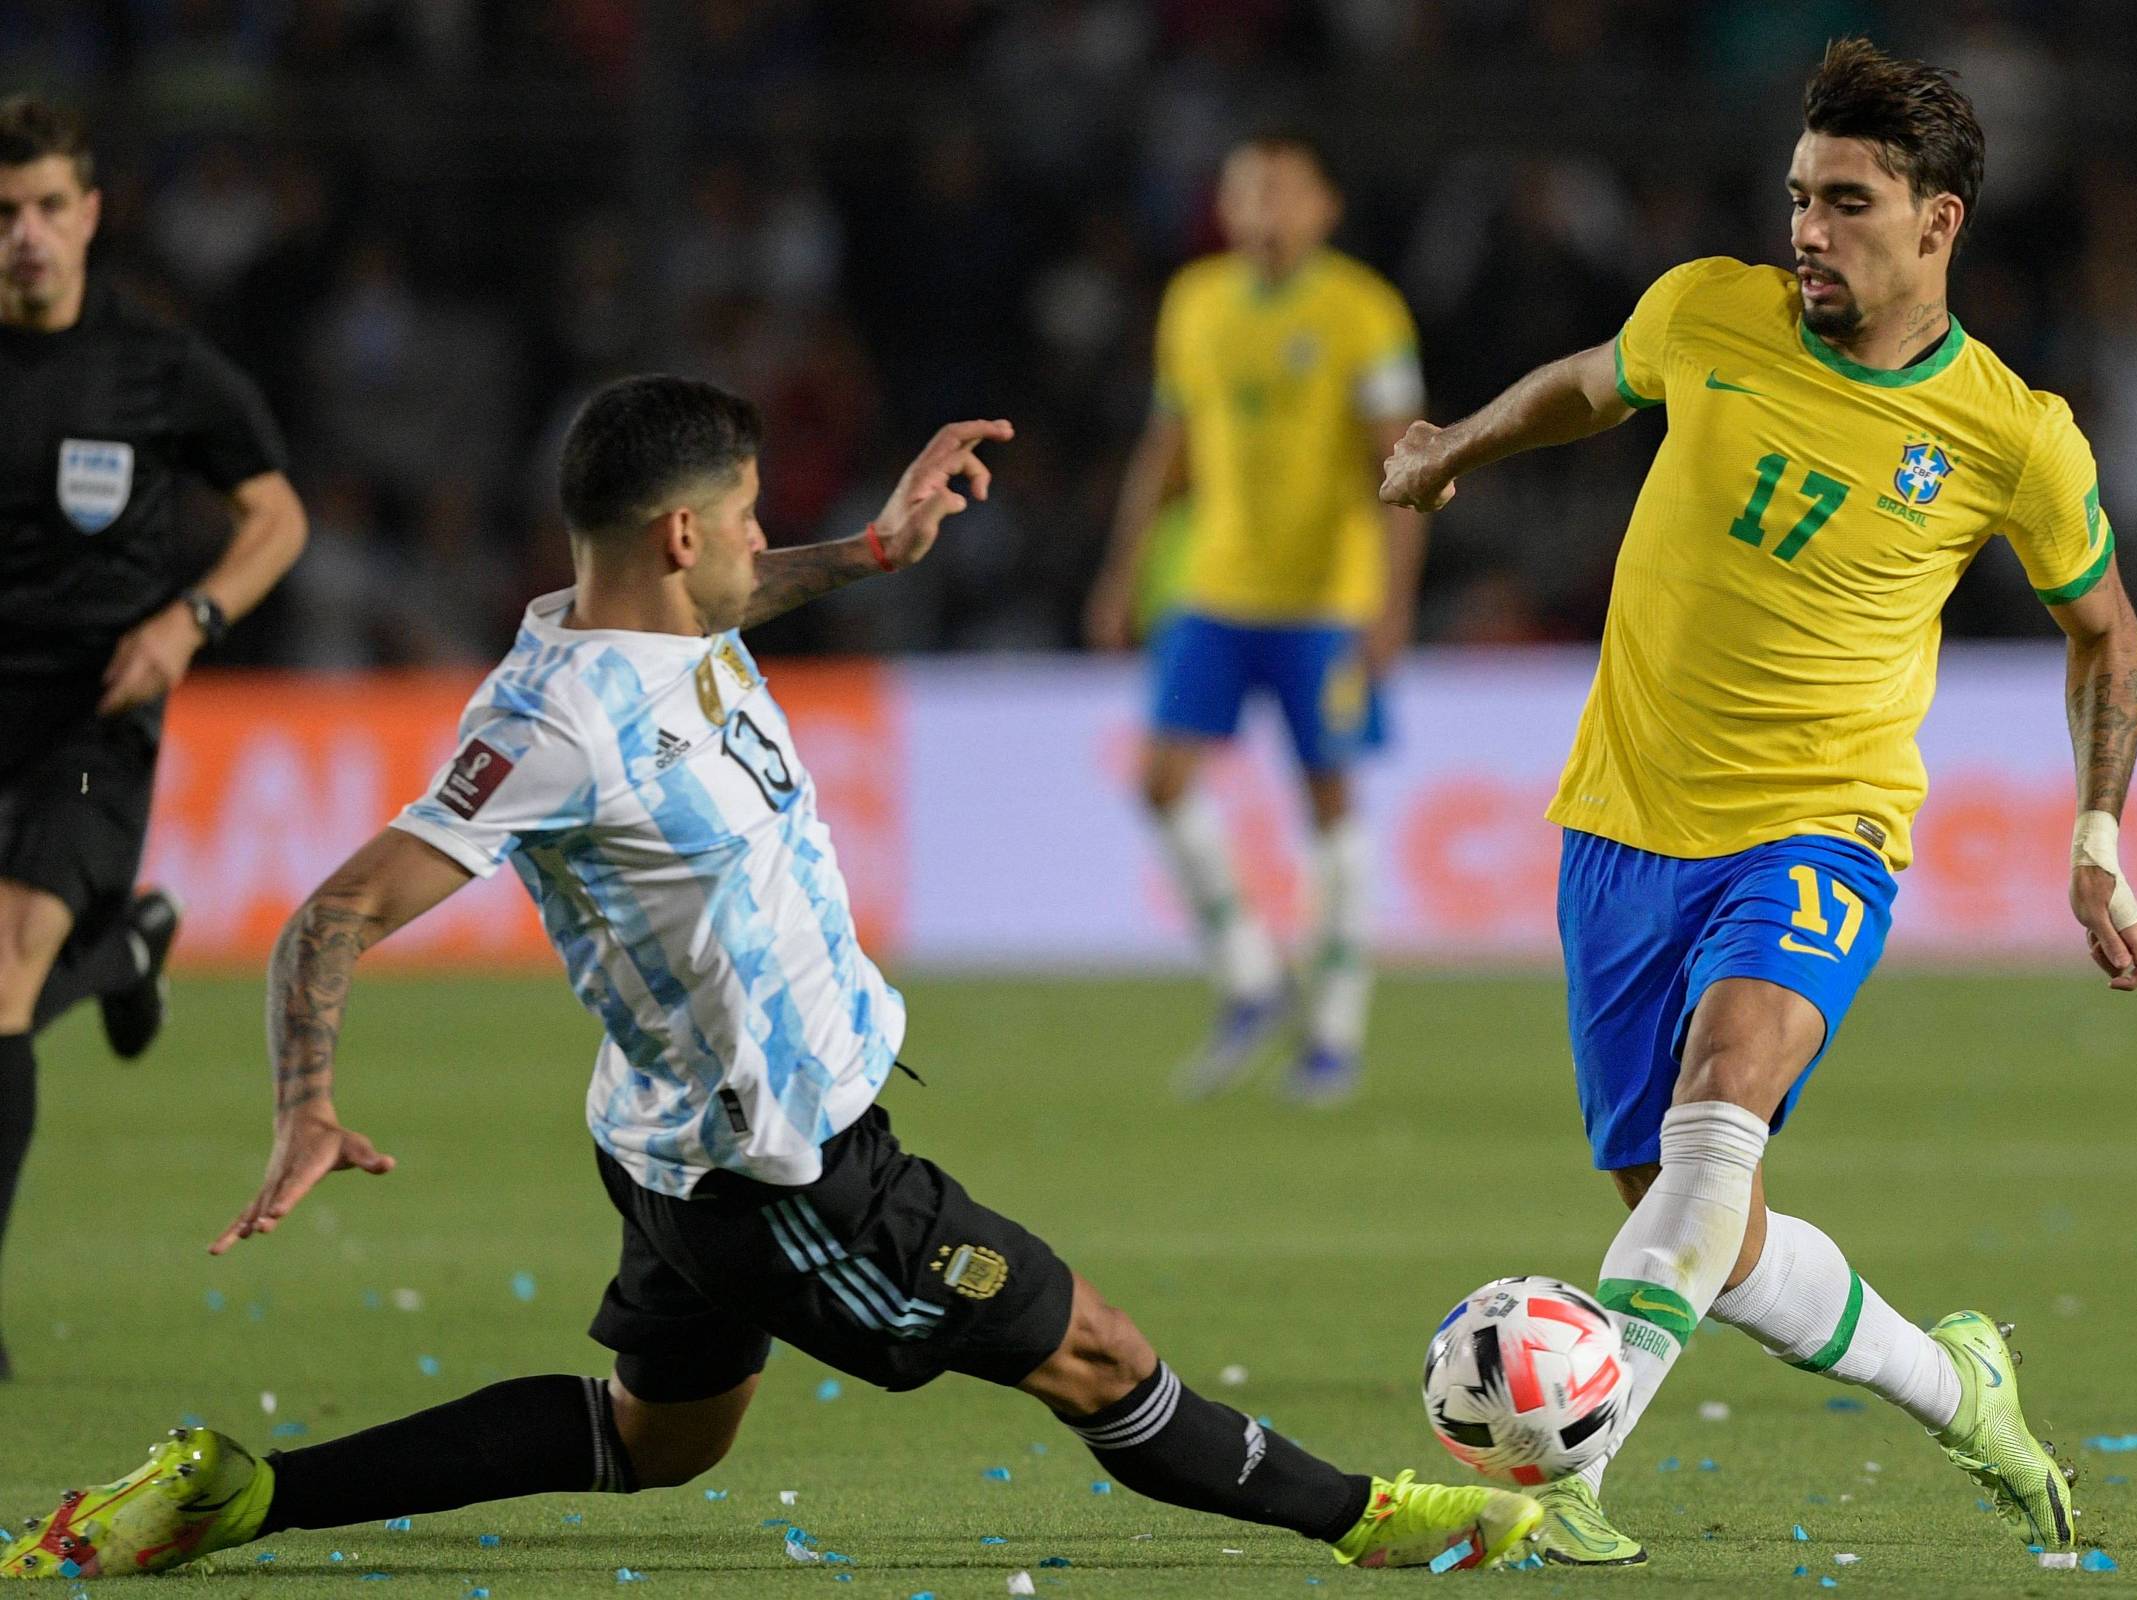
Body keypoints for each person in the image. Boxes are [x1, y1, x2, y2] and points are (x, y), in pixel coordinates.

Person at [1, 376, 1541, 1581]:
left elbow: (730, 604)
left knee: (653, 1445)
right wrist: (307, 1101)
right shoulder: (560, 722)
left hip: (671, 1139)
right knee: (1098, 1353)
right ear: (677, 535)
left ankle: (239, 1491)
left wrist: (872, 550)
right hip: (786, 1175)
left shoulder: (637, 615)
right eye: (744, 518)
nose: (758, 540)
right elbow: (327, 916)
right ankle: (1385, 1525)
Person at [1378, 39, 2137, 1567]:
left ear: (1939, 223)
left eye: (1847, 202)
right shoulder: (1707, 308)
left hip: (1824, 824)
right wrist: (1454, 445)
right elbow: (1592, 387)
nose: (1808, 227)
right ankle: (1961, 1385)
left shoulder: (2013, 432)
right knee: (1698, 1226)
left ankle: (1566, 1476)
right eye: (1800, 195)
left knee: (1720, 1111)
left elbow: (2105, 629)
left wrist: (2096, 836)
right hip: (1622, 827)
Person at [0, 96, 307, 1382]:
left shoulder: (157, 367)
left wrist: (189, 620)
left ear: (90, 214)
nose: (25, 235)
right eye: (4, 213)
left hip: (93, 716)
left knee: (4, 966)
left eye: (48, 207)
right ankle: (124, 949)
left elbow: (278, 516)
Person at [1085, 132, 1426, 1106]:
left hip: (1325, 599)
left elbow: (1400, 463)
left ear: (1325, 206)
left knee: (1327, 798)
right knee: (1158, 780)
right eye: (1245, 193)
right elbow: (1168, 443)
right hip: (1216, 587)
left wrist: (1393, 600)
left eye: (1282, 190)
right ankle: (1249, 976)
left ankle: (1334, 1029)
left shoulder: (1362, 310)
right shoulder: (1194, 304)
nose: (1263, 210)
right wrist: (1124, 568)